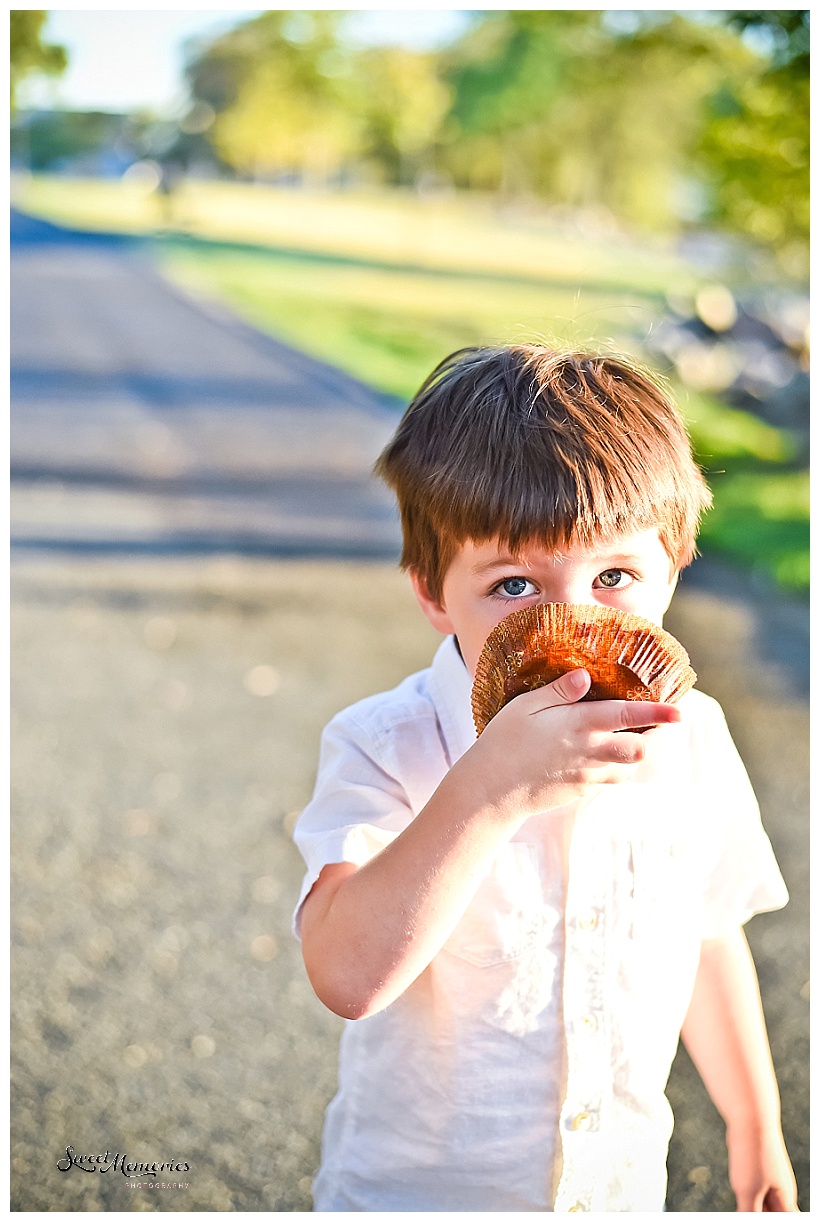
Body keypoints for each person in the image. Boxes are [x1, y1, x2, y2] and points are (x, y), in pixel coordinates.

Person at [292, 345, 797, 1212]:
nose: (574, 621)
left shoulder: (693, 740)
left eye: (614, 577)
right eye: (516, 582)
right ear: (433, 592)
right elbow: (347, 978)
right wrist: (490, 790)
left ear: (673, 570)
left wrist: (755, 1128)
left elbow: (706, 931)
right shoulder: (387, 744)